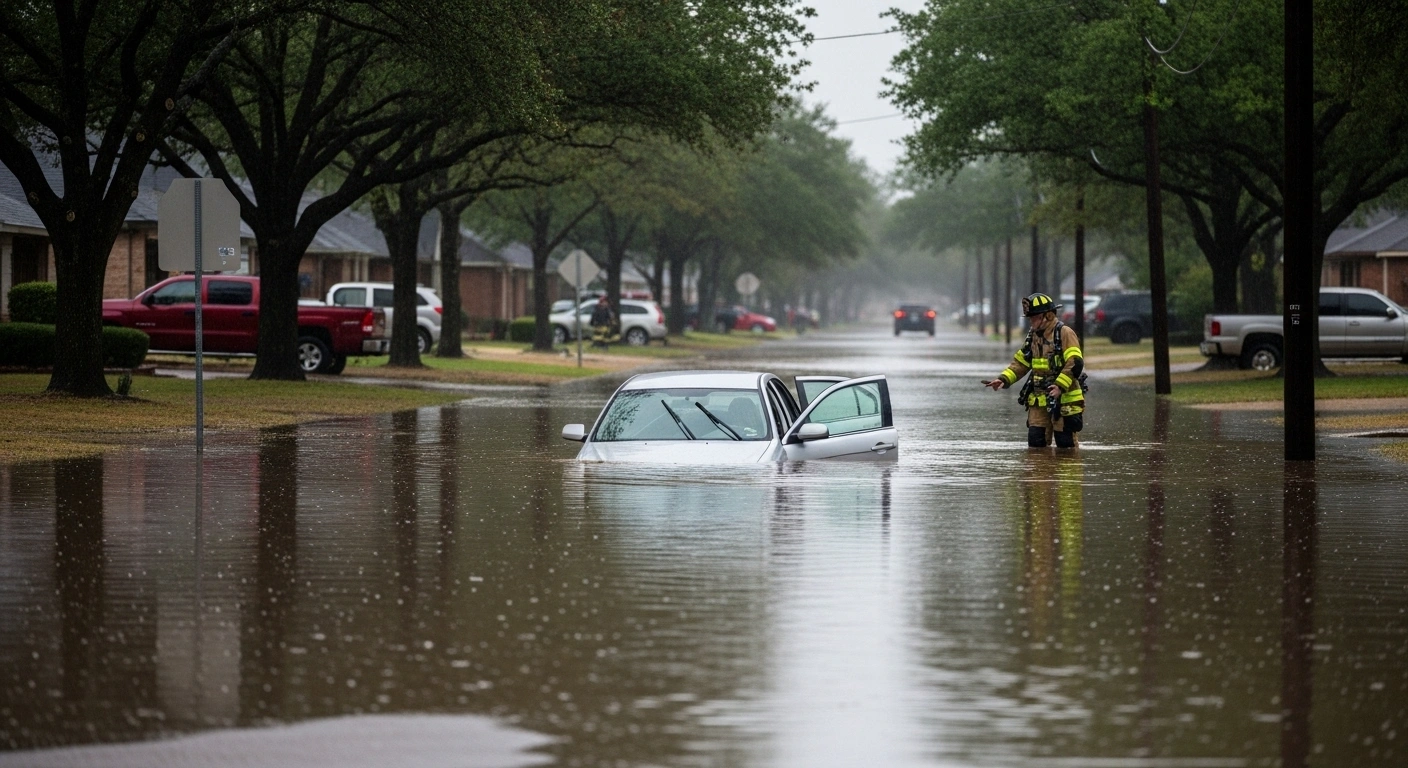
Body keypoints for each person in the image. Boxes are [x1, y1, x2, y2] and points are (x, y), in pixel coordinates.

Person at [982, 293, 1087, 448]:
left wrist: (1059, 386)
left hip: (1066, 399)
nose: (1031, 321)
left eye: (1034, 318)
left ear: (1048, 316)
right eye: (1030, 318)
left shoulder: (1064, 333)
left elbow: (1075, 362)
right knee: (1035, 443)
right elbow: (1021, 362)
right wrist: (1003, 379)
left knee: (1066, 445)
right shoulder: (1033, 336)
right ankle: (1042, 465)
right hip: (1039, 399)